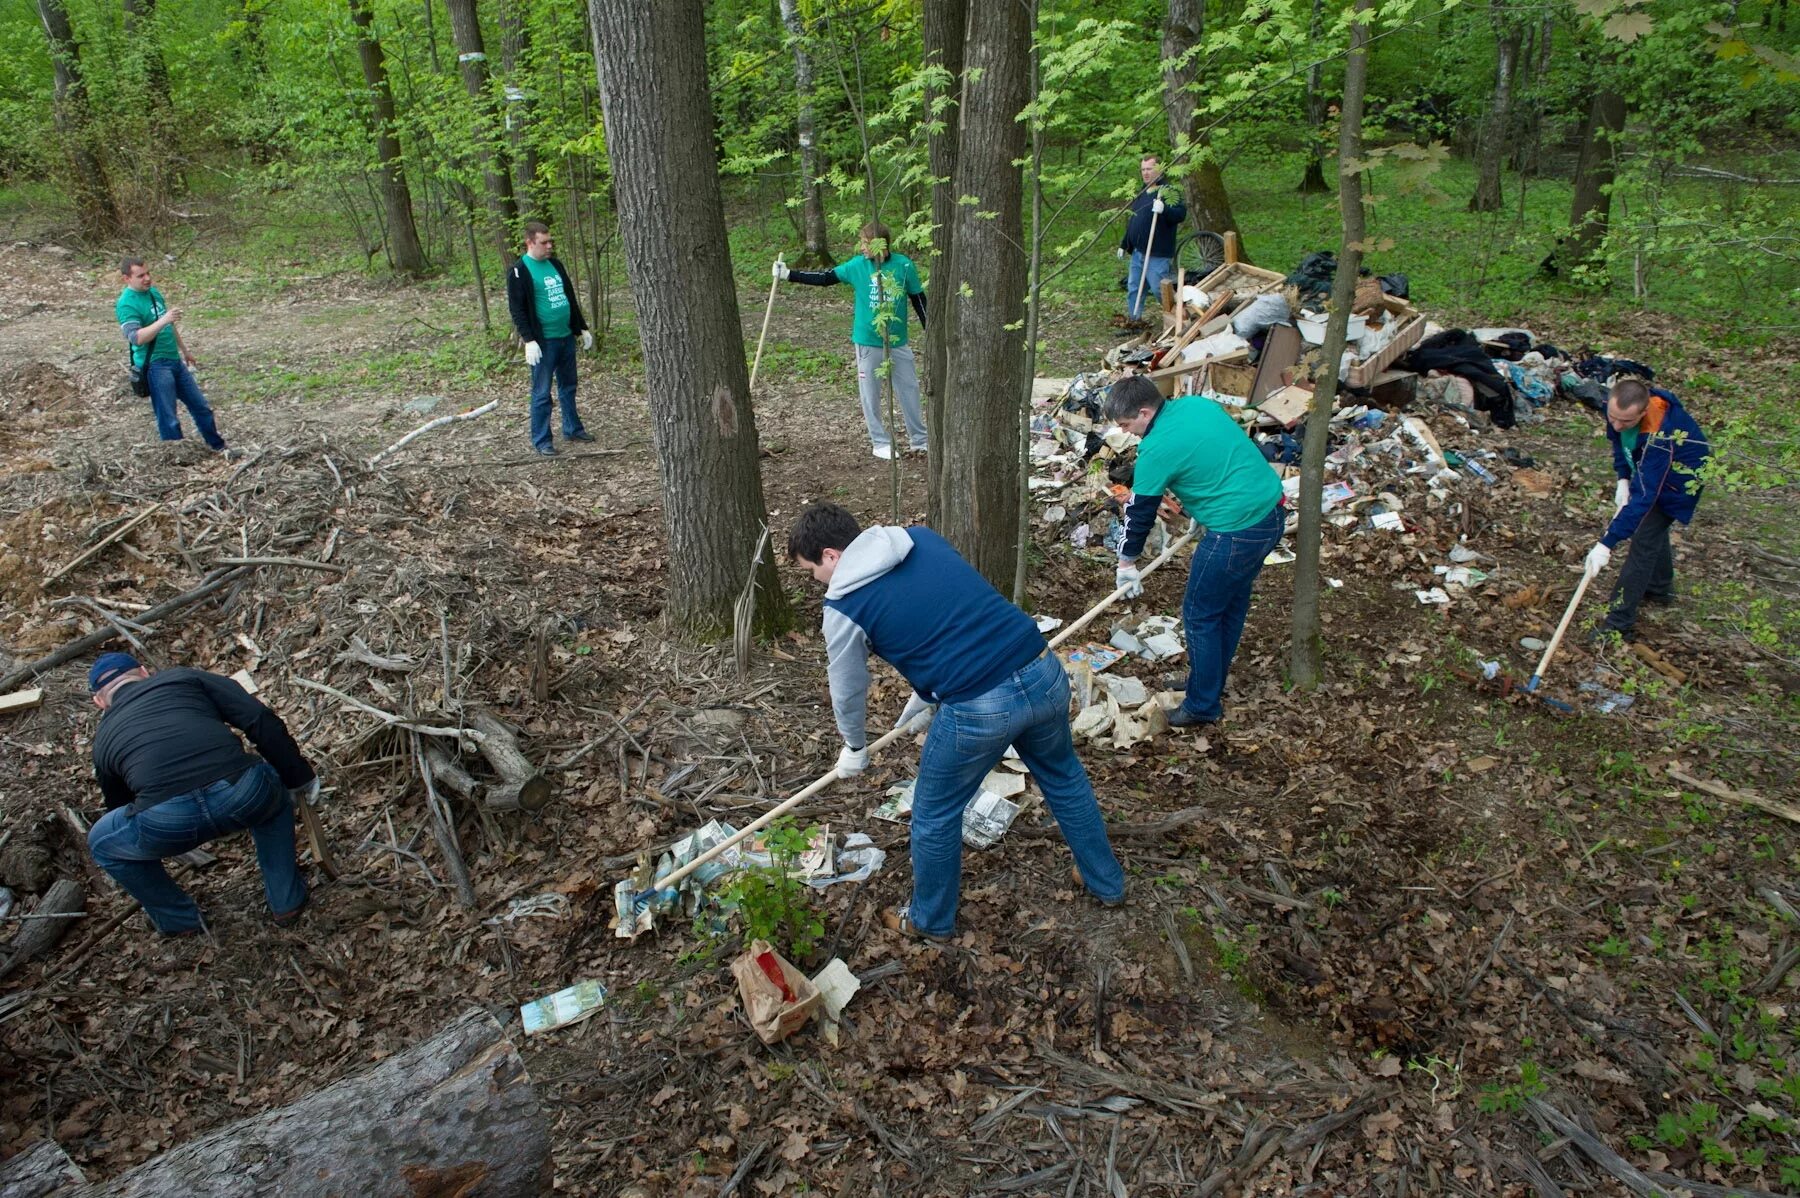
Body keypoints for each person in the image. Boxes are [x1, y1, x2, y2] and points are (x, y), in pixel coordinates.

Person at [787, 502, 1124, 940]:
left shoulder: (844, 606)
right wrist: (927, 694)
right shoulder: (917, 539)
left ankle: (930, 921)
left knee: (933, 812)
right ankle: (1106, 882)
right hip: (1041, 669)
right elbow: (952, 611)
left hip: (979, 706)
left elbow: (847, 688)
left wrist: (853, 745)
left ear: (830, 555)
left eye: (812, 570)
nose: (817, 582)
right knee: (1063, 777)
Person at [85, 653, 318, 936]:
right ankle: (286, 901)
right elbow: (259, 719)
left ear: (100, 702)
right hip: (243, 793)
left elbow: (120, 806)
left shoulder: (103, 737)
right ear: (145, 672)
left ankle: (180, 922)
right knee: (272, 791)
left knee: (102, 841)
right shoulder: (184, 678)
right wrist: (299, 777)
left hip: (168, 820)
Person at [1107, 375, 1284, 728]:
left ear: (1144, 412)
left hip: (1235, 531)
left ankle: (1202, 704)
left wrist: (1126, 562)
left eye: (1128, 424)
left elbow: (1140, 511)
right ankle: (1207, 682)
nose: (1129, 433)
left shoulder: (1156, 448)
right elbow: (1218, 453)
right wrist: (1200, 511)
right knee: (1229, 605)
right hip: (1271, 512)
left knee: (1200, 614)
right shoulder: (1195, 405)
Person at [774, 222, 928, 460]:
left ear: (881, 244)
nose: (861, 248)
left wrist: (930, 329)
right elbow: (826, 278)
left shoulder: (904, 265)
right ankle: (880, 442)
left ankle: (920, 440)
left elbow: (919, 299)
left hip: (897, 341)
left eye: (865, 243)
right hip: (867, 342)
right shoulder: (857, 266)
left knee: (909, 388)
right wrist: (788, 274)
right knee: (870, 393)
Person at [1582, 377, 1710, 640]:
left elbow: (1644, 498)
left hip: (1680, 481)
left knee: (1643, 537)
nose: (1616, 425)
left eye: (1625, 422)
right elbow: (1619, 443)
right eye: (1612, 417)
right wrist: (1623, 478)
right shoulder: (1618, 410)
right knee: (1651, 531)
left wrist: (1607, 543)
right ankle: (1660, 588)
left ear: (1643, 411)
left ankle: (1619, 624)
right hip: (1651, 474)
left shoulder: (1660, 437)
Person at [115, 258, 227, 450]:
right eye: (140, 276)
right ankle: (177, 456)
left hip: (174, 361)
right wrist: (164, 319)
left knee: (201, 407)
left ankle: (218, 446)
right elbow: (137, 337)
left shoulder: (154, 294)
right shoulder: (126, 304)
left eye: (148, 273)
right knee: (168, 416)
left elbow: (170, 325)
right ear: (127, 278)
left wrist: (184, 350)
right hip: (154, 366)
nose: (147, 278)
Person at [505, 221, 595, 457]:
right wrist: (529, 340)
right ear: (530, 242)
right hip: (544, 342)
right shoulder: (519, 270)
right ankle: (542, 439)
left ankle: (573, 428)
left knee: (569, 386)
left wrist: (581, 328)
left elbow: (569, 297)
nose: (549, 246)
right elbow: (517, 309)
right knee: (542, 392)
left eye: (550, 241)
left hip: (565, 336)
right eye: (544, 242)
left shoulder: (555, 264)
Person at [1118, 155, 1186, 322]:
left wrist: (1165, 210)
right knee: (1134, 288)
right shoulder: (1142, 193)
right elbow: (1134, 221)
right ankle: (1134, 320)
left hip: (1157, 253)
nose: (1145, 173)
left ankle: (1177, 319)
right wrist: (1124, 244)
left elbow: (1180, 215)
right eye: (1143, 169)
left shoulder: (1168, 191)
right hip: (1138, 253)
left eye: (1149, 169)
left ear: (1159, 169)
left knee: (1159, 289)